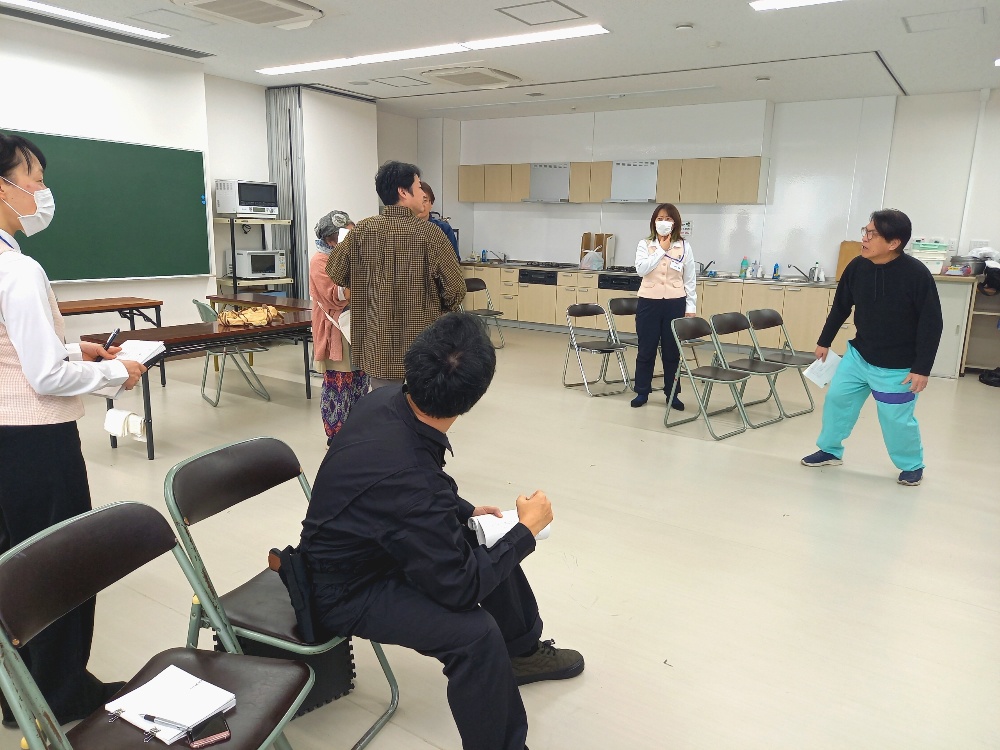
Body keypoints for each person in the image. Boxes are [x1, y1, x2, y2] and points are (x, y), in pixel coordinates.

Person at [299, 312, 584, 750]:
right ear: (473, 399)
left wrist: (467, 512)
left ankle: (523, 654)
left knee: (487, 534)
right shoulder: (412, 480)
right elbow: (460, 587)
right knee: (475, 635)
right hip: (343, 589)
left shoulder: (386, 400)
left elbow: (411, 487)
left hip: (375, 543)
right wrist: (525, 532)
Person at [0, 132, 146, 725]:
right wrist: (115, 371)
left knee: (13, 565)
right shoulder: (19, 270)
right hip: (37, 445)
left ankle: (19, 694)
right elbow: (45, 377)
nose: (42, 192)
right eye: (33, 180)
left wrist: (70, 348)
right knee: (60, 568)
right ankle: (61, 694)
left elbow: (13, 352)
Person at [801, 208, 943, 486]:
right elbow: (841, 306)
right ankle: (830, 450)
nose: (864, 238)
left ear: (894, 243)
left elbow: (932, 324)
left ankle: (911, 464)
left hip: (897, 367)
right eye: (865, 231)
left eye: (872, 234)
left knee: (895, 419)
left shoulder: (916, 275)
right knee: (837, 401)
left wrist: (922, 368)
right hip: (859, 356)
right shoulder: (857, 266)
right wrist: (824, 341)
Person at [327, 161, 466, 390]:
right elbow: (455, 289)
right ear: (403, 192)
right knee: (422, 401)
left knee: (385, 403)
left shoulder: (361, 230)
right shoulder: (431, 234)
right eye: (419, 187)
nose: (422, 194)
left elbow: (335, 272)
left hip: (377, 343)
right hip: (423, 342)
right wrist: (437, 309)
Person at [630, 202, 697, 409]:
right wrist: (661, 249)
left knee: (672, 352)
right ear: (654, 222)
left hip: (675, 303)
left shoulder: (684, 246)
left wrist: (691, 307)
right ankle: (642, 391)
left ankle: (672, 394)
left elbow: (690, 279)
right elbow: (641, 269)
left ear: (675, 223)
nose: (664, 222)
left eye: (668, 219)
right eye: (660, 219)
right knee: (646, 349)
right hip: (648, 302)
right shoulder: (645, 244)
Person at [311, 209, 369, 441]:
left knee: (360, 382)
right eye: (346, 236)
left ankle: (356, 432)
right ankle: (336, 436)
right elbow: (335, 296)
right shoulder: (320, 261)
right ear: (330, 239)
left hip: (358, 328)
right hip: (336, 331)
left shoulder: (352, 259)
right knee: (339, 384)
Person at [417, 181, 460, 261]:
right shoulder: (404, 228)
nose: (421, 205)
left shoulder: (444, 228)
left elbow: (455, 259)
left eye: (425, 200)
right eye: (418, 200)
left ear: (431, 204)